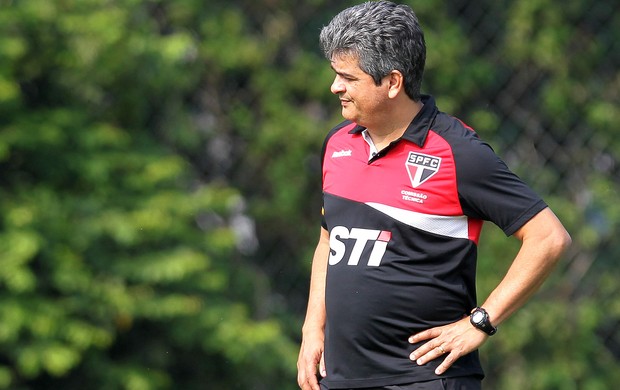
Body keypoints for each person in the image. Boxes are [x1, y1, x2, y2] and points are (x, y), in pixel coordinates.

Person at [296, 1, 571, 389]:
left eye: (348, 77)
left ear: (392, 83)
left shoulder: (458, 152)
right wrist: (312, 330)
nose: (335, 87)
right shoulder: (337, 143)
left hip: (425, 379)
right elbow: (329, 239)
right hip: (341, 378)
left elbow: (548, 237)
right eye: (335, 74)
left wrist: (482, 321)